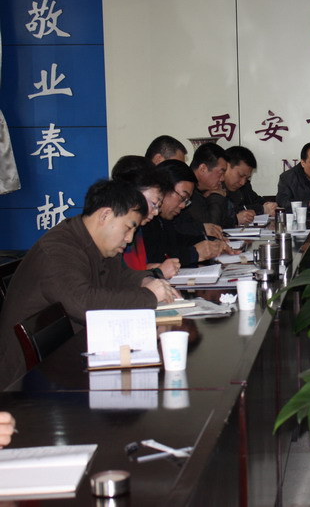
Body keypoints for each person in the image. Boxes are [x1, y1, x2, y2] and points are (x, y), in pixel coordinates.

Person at [0, 179, 181, 388]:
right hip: (27, 380)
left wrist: (147, 280)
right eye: (128, 228)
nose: (129, 239)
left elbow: (121, 276)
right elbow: (83, 303)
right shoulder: (58, 248)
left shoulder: (98, 243)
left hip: (68, 359)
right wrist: (149, 295)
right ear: (105, 215)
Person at [141, 160, 235, 267]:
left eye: (187, 201)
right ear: (163, 189)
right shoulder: (145, 221)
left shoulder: (165, 218)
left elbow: (179, 241)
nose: (183, 206)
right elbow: (157, 259)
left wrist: (211, 243)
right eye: (182, 197)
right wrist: (194, 253)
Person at [111, 156, 181, 279]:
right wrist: (157, 272)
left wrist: (149, 269)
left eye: (158, 206)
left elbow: (131, 271)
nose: (156, 212)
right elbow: (117, 281)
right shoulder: (113, 229)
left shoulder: (138, 230)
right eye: (154, 204)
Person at [206, 146, 277, 228]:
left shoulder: (244, 186)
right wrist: (261, 209)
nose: (242, 182)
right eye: (240, 175)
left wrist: (271, 206)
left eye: (247, 178)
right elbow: (226, 212)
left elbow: (256, 200)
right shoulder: (212, 186)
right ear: (226, 166)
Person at [186, 143, 229, 228]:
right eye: (221, 172)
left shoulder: (203, 190)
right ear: (203, 169)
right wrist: (216, 196)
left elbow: (226, 222)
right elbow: (212, 228)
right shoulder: (188, 193)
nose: (222, 179)